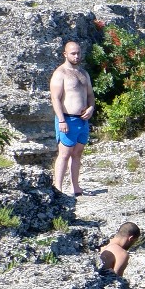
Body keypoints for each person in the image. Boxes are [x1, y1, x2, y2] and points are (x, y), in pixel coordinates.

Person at [49, 39, 95, 197]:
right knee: (64, 153)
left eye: (78, 53)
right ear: (65, 54)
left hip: (82, 120)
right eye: (73, 53)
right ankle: (58, 187)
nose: (76, 56)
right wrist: (61, 120)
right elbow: (55, 98)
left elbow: (90, 95)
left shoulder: (83, 73)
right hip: (67, 119)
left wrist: (91, 108)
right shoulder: (60, 73)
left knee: (77, 153)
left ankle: (76, 187)